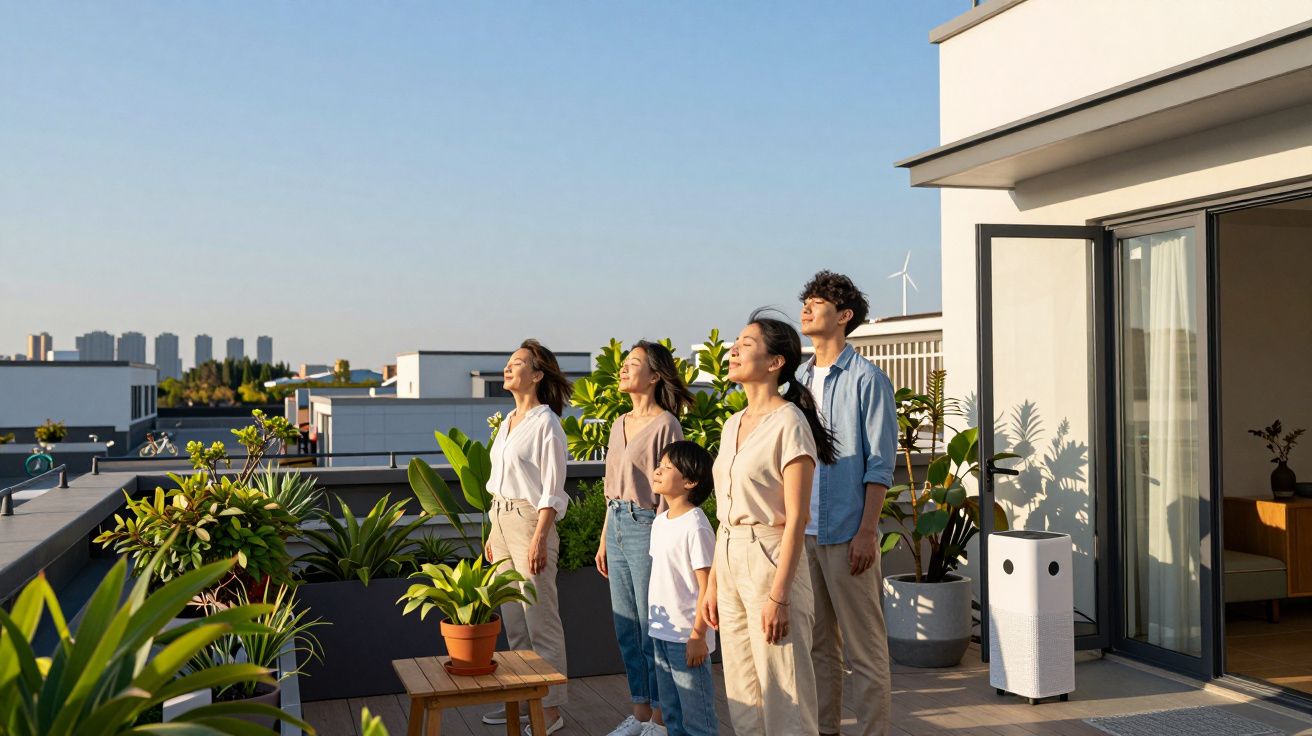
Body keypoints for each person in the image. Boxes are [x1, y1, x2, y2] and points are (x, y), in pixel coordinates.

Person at [701, 310, 837, 736]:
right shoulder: (731, 424)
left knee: (784, 687)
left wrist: (779, 595)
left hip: (770, 555)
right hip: (730, 553)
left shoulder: (789, 423)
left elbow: (798, 518)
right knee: (742, 686)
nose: (733, 350)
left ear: (776, 362)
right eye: (735, 343)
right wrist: (713, 584)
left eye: (746, 344)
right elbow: (725, 508)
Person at [798, 271, 896, 736]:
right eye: (807, 300)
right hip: (805, 533)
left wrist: (866, 532)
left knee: (865, 649)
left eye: (817, 302)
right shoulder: (796, 379)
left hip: (846, 532)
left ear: (844, 316)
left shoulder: (867, 380)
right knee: (819, 647)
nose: (807, 307)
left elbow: (879, 465)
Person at [595, 341, 693, 736]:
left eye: (633, 363)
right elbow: (610, 489)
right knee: (626, 627)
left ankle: (660, 719)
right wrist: (604, 540)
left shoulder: (667, 424)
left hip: (646, 525)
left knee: (652, 625)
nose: (623, 368)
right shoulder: (619, 422)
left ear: (654, 376)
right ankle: (638, 715)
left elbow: (673, 491)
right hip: (617, 524)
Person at [483, 339, 572, 736]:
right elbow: (499, 482)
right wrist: (491, 529)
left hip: (529, 522)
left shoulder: (546, 423)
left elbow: (552, 488)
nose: (508, 368)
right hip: (501, 521)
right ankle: (521, 702)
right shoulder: (507, 421)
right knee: (514, 621)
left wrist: (539, 536)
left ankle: (550, 710)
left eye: (517, 363)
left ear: (536, 375)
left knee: (540, 619)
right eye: (508, 363)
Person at [647, 441, 719, 736]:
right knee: (672, 717)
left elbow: (708, 587)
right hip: (661, 633)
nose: (658, 470)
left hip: (686, 637)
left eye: (667, 467)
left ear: (690, 481)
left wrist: (698, 635)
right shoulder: (660, 521)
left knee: (697, 719)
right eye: (660, 464)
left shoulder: (696, 525)